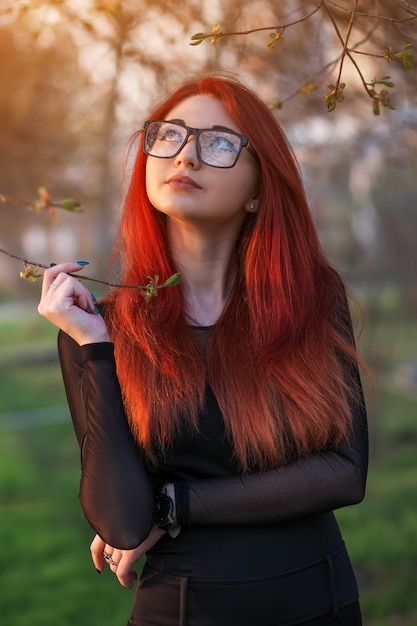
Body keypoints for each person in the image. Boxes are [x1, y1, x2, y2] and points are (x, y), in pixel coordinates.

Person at [38, 73, 368, 626]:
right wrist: (96, 349)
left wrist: (172, 505)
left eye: (217, 143)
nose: (185, 156)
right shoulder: (97, 329)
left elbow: (344, 472)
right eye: (169, 136)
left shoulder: (312, 300)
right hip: (182, 610)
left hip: (320, 601)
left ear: (261, 187)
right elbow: (121, 521)